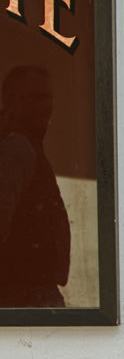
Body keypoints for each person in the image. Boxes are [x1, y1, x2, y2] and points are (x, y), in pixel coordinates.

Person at [0, 65, 70, 308]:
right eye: (36, 97)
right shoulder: (17, 148)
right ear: (11, 100)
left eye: (48, 98)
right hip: (26, 297)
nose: (46, 105)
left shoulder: (25, 146)